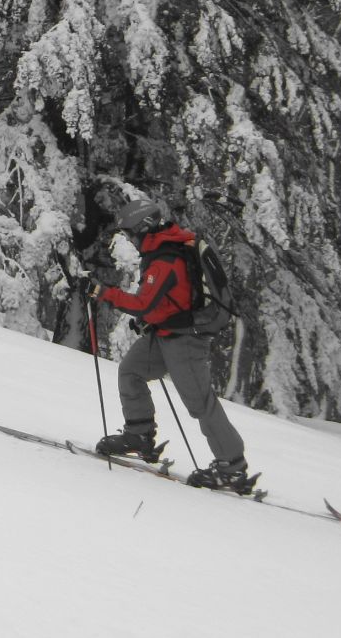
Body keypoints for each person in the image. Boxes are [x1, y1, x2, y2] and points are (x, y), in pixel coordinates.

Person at [87, 200, 252, 493]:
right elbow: (168, 300)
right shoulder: (161, 251)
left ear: (142, 229)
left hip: (185, 340)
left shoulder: (166, 259)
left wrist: (103, 293)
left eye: (130, 234)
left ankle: (232, 466)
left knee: (199, 402)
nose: (129, 240)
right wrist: (149, 320)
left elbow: (144, 303)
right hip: (165, 333)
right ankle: (139, 435)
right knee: (131, 371)